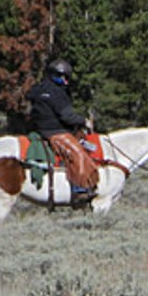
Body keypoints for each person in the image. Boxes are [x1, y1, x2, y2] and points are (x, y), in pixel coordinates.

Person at [26, 58, 98, 202]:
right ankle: (79, 190)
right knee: (78, 153)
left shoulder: (38, 89)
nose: (66, 81)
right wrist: (84, 121)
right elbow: (67, 116)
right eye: (63, 77)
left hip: (39, 128)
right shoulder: (58, 93)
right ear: (55, 75)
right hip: (55, 131)